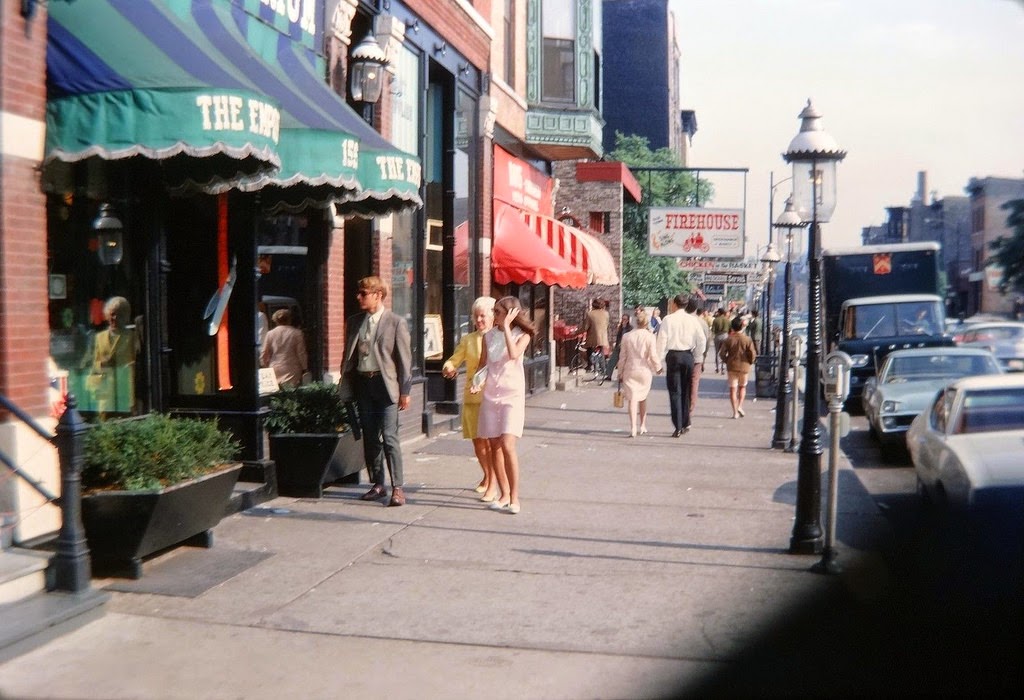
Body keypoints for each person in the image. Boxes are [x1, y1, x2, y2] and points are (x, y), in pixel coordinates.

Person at [339, 276, 412, 507]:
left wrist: (405, 391)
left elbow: (404, 361)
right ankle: (378, 484)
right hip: (363, 385)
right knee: (370, 438)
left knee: (390, 437)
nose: (358, 297)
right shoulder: (354, 321)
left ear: (378, 295)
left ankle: (397, 488)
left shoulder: (395, 322)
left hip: (386, 386)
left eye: (364, 293)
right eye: (359, 293)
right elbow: (348, 356)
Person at [470, 296, 534, 515]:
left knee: (508, 444)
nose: (493, 315)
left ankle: (515, 497)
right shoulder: (488, 336)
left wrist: (506, 327)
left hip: (512, 395)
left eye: (497, 312)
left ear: (509, 314)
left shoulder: (523, 336)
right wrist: (476, 382)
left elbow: (514, 355)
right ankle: (503, 494)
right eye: (494, 312)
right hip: (491, 394)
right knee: (494, 445)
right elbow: (483, 364)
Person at [442, 296, 498, 502]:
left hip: (491, 397)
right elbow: (454, 359)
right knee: (478, 444)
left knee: (491, 443)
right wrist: (448, 367)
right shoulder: (468, 340)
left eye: (483, 315)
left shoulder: (498, 338)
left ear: (493, 316)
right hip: (472, 397)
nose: (479, 320)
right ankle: (487, 474)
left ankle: (492, 481)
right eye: (476, 316)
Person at [656, 294, 709, 437]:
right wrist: (698, 354)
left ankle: (678, 425)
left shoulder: (668, 319)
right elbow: (701, 340)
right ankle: (686, 421)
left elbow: (662, 340)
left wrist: (658, 361)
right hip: (688, 356)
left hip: (673, 356)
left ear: (674, 304)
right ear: (686, 305)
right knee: (686, 390)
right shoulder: (693, 320)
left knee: (675, 392)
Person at [89, 296, 141, 419]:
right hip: (106, 393)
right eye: (112, 314)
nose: (115, 318)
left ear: (126, 317)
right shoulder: (99, 337)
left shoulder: (132, 337)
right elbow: (94, 364)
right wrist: (101, 364)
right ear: (107, 315)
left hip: (125, 392)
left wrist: (131, 366)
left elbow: (137, 361)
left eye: (120, 315)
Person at [617, 309, 661, 438]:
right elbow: (653, 355)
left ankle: (633, 428)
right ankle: (643, 425)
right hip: (644, 370)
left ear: (636, 322)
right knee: (643, 397)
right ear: (646, 323)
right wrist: (658, 367)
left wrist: (620, 372)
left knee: (632, 399)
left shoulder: (627, 336)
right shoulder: (650, 337)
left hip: (630, 370)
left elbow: (622, 357)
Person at [719, 316, 758, 419]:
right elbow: (752, 353)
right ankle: (740, 405)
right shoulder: (747, 339)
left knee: (732, 389)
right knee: (742, 387)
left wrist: (727, 361)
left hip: (732, 366)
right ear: (742, 327)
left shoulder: (728, 339)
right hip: (744, 366)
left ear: (732, 327)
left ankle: (735, 412)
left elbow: (722, 353)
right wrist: (750, 361)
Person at [260, 308, 307, 388]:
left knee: (276, 391)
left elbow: (264, 353)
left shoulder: (270, 334)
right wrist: (304, 367)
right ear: (289, 319)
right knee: (291, 391)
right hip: (292, 367)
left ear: (276, 321)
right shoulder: (297, 333)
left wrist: (264, 365)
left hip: (275, 366)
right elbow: (301, 352)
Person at [686, 297, 714, 415]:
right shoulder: (702, 323)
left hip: (682, 353)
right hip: (697, 356)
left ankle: (682, 404)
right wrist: (704, 356)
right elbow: (707, 341)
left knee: (682, 381)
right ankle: (690, 407)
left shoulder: (683, 321)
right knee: (694, 382)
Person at [579, 298, 610, 374]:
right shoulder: (606, 313)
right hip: (603, 337)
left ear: (593, 305)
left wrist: (576, 332)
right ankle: (603, 368)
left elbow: (585, 327)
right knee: (601, 352)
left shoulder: (590, 314)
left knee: (589, 350)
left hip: (593, 337)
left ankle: (590, 366)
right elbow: (607, 325)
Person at [604, 313, 633, 381]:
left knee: (623, 363)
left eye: (625, 319)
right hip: (618, 346)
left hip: (626, 347)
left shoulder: (630, 328)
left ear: (628, 320)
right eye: (623, 319)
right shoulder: (620, 327)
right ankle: (608, 375)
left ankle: (622, 376)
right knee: (612, 360)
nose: (623, 320)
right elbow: (618, 337)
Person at [711, 308, 731, 374]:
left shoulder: (715, 320)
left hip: (717, 336)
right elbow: (730, 330)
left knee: (717, 352)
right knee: (724, 352)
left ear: (719, 313)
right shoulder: (727, 320)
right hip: (725, 336)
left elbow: (713, 330)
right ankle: (723, 368)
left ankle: (717, 368)